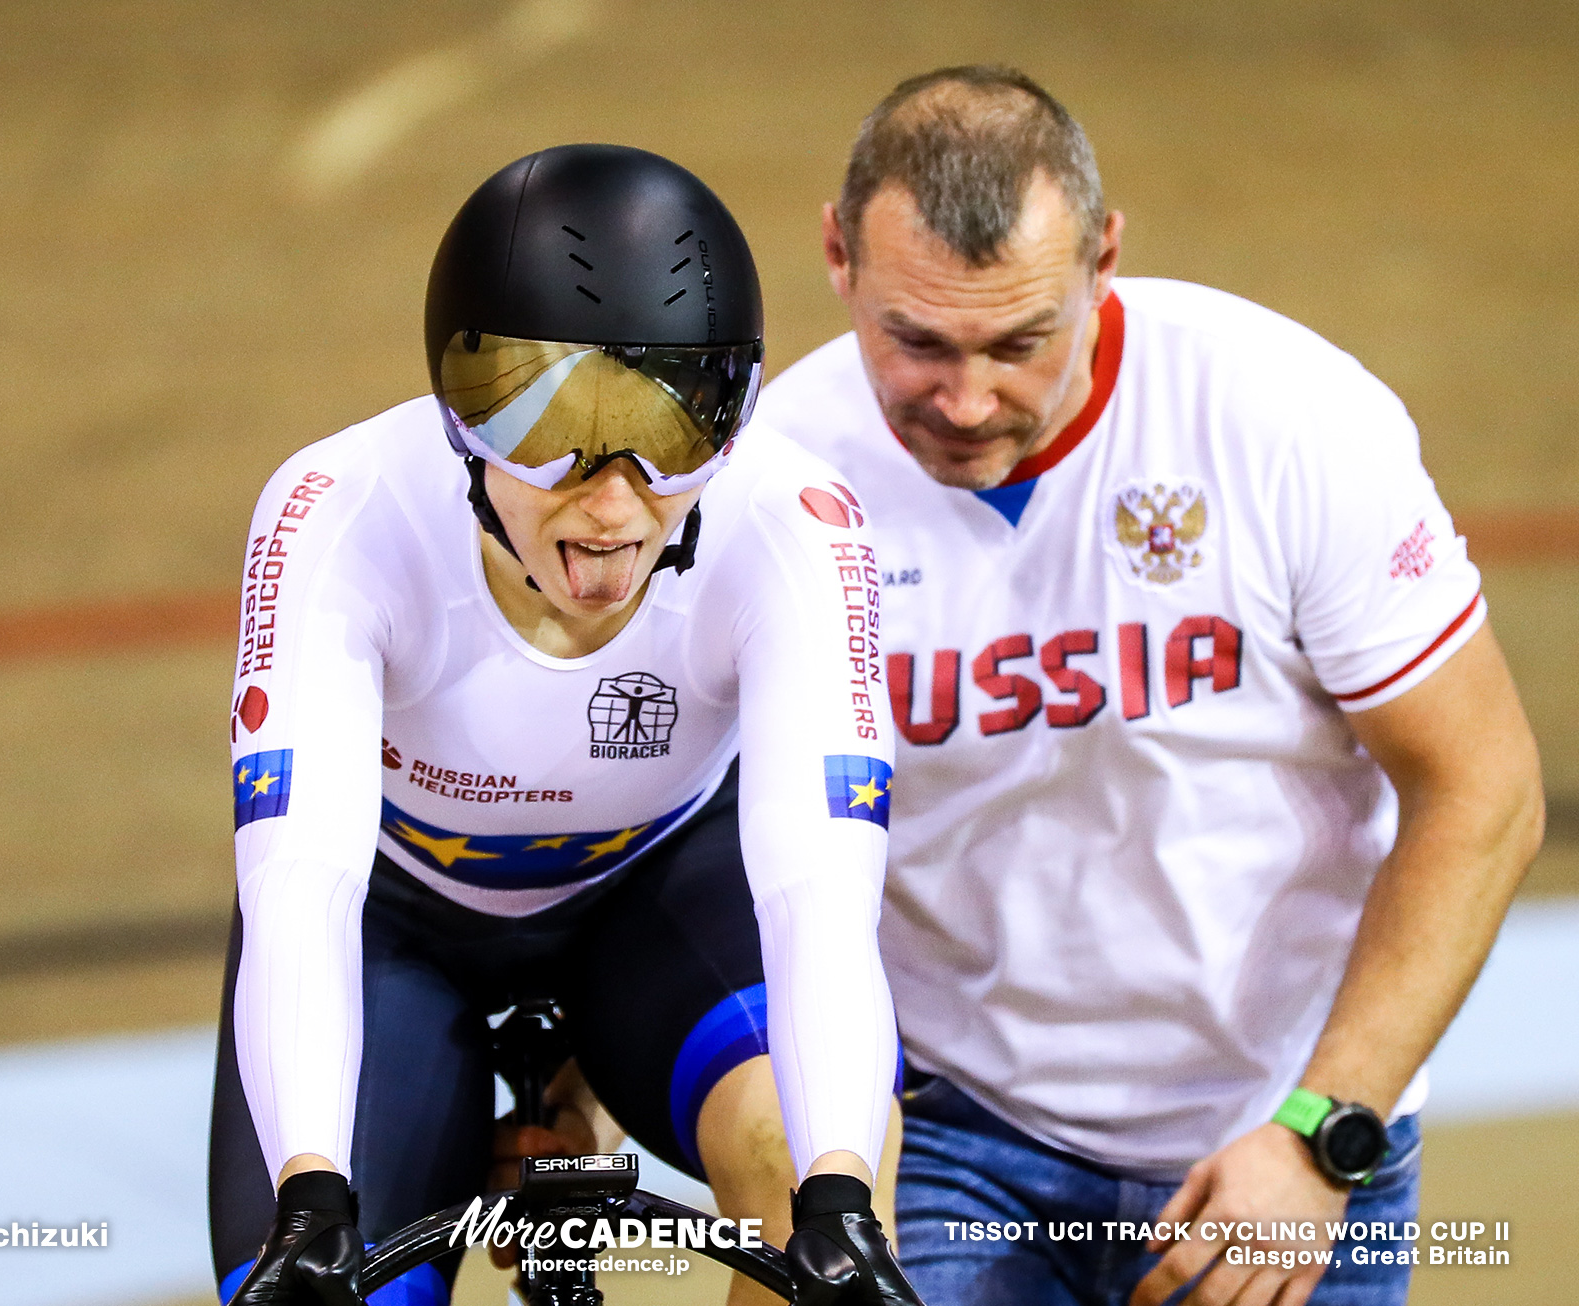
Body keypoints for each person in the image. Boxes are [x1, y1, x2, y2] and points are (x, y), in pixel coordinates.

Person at [757, 66, 1544, 1306]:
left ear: (1105, 257)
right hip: (962, 1132)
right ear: (837, 256)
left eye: (1020, 342)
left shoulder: (1285, 421)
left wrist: (1320, 1131)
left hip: (1288, 1123)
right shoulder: (776, 475)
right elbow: (674, 814)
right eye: (916, 343)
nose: (965, 402)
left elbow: (1480, 788)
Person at [208, 144, 921, 1306]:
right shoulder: (337, 513)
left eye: (672, 437)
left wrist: (839, 1202)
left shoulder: (795, 522)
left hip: (656, 900)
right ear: (460, 416)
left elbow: (818, 895)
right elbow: (302, 885)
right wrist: (312, 1194)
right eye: (549, 433)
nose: (613, 502)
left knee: (822, 1185)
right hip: (394, 926)